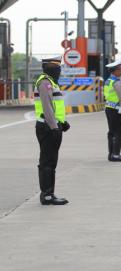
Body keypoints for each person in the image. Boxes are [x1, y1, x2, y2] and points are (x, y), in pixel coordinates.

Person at [34, 56, 70, 205]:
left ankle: (49, 193)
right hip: (48, 127)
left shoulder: (51, 83)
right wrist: (55, 126)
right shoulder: (45, 82)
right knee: (47, 162)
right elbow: (47, 107)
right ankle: (47, 195)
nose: (59, 70)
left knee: (51, 161)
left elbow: (54, 107)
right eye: (56, 67)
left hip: (52, 126)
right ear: (48, 68)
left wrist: (63, 122)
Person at [104, 60, 121, 162]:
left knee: (112, 132)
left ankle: (111, 154)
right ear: (114, 71)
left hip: (109, 109)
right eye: (119, 69)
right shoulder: (117, 82)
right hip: (117, 110)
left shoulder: (108, 81)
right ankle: (116, 154)